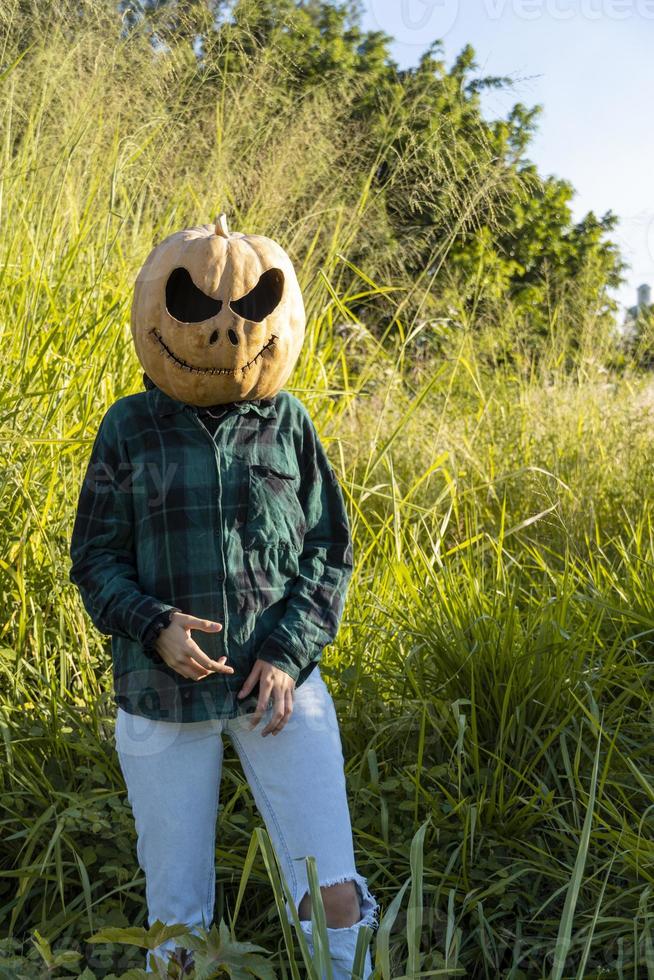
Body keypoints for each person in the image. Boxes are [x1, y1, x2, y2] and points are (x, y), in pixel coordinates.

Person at [68, 216, 378, 978]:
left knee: (330, 893)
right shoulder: (128, 429)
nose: (225, 329)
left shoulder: (288, 424)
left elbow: (329, 552)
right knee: (176, 923)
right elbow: (95, 559)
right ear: (156, 309)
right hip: (158, 700)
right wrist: (154, 626)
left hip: (282, 692)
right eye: (195, 305)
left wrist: (284, 655)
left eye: (249, 305)